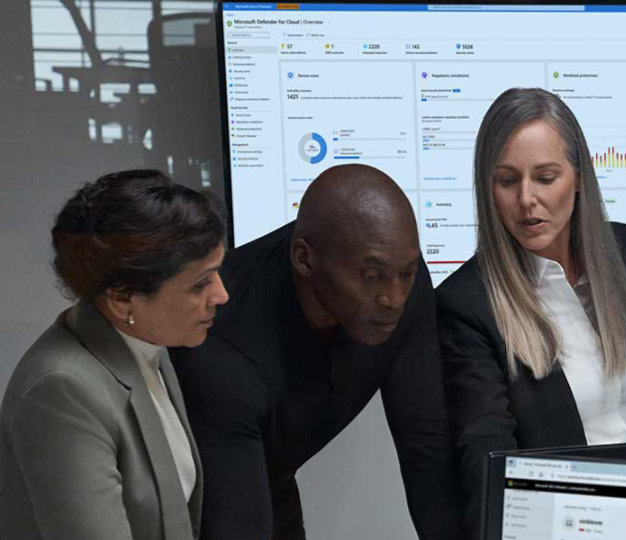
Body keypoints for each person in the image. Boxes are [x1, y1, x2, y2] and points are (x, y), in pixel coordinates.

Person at [436, 88, 626, 537]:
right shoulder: (467, 302)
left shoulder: (623, 249)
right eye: (507, 180)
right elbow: (486, 456)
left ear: (579, 177)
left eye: (545, 177)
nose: (526, 199)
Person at [170, 164, 463, 540]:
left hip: (272, 482)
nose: (394, 299)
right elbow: (237, 524)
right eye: (371, 276)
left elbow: (427, 450)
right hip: (190, 511)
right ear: (304, 259)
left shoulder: (399, 279)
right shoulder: (222, 350)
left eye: (405, 273)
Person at [0, 169, 229, 540]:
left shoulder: (144, 340)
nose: (222, 295)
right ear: (123, 299)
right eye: (201, 283)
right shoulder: (61, 392)